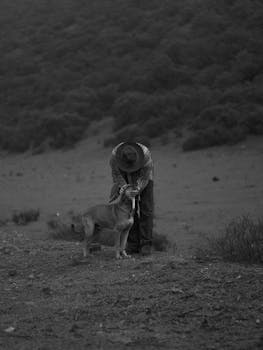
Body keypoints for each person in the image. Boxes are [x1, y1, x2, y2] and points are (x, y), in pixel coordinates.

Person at [109, 142, 154, 255]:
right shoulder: (114, 157)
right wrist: (126, 189)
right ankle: (133, 245)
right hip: (123, 175)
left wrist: (138, 189)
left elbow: (145, 177)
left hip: (144, 176)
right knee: (128, 210)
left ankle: (146, 245)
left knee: (146, 210)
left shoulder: (146, 155)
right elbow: (116, 175)